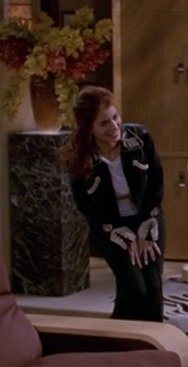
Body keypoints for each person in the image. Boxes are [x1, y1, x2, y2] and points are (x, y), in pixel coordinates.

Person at [61, 85, 165, 322]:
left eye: (115, 117)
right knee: (134, 287)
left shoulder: (140, 139)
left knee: (152, 288)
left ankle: (153, 339)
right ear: (89, 128)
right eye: (104, 123)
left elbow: (156, 183)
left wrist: (146, 225)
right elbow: (84, 204)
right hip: (110, 226)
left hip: (147, 218)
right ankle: (122, 336)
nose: (115, 127)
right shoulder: (80, 158)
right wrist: (115, 230)